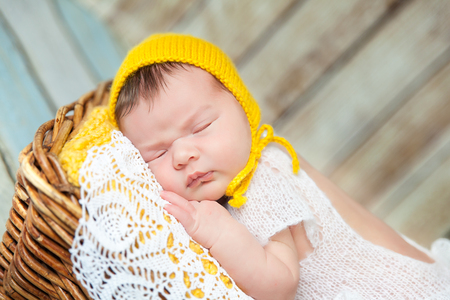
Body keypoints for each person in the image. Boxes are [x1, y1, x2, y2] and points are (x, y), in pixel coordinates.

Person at [73, 33, 450, 299]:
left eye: (201, 127)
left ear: (244, 111)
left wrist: (213, 231)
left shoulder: (260, 181)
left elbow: (280, 283)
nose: (183, 154)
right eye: (156, 153)